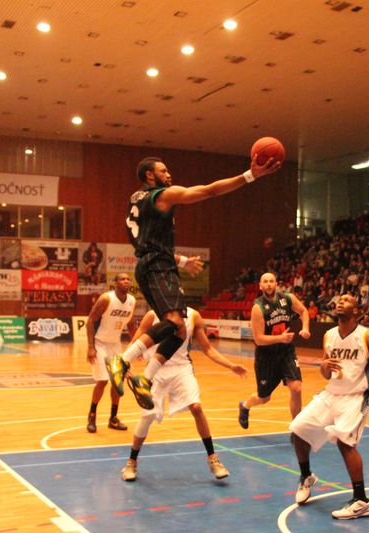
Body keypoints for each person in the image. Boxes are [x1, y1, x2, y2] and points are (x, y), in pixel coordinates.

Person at [106, 154, 281, 411]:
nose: (169, 175)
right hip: (158, 267)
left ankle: (145, 377)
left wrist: (181, 260)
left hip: (151, 265)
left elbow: (145, 244)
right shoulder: (162, 195)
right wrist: (250, 175)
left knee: (180, 331)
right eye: (163, 171)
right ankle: (122, 361)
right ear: (150, 176)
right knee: (175, 322)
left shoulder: (135, 200)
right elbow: (209, 191)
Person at [288, 293, 369, 520]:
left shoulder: (368, 336)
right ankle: (306, 476)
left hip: (355, 397)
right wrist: (323, 365)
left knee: (345, 443)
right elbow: (326, 371)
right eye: (339, 299)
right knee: (297, 430)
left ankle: (361, 500)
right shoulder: (329, 335)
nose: (340, 302)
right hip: (331, 393)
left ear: (356, 311)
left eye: (347, 300)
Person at [119, 307, 247, 482]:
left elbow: (207, 348)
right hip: (156, 370)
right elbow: (134, 343)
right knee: (147, 416)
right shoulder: (153, 315)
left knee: (196, 406)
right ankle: (132, 461)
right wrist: (124, 363)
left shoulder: (193, 316)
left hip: (181, 369)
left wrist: (230, 365)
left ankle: (213, 459)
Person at [238, 272, 310, 430]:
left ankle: (296, 428)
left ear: (276, 284)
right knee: (264, 398)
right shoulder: (258, 307)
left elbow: (303, 311)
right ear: (260, 286)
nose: (269, 284)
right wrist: (280, 338)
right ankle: (245, 405)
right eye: (265, 281)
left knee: (296, 388)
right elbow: (258, 339)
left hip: (286, 352)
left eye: (272, 281)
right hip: (266, 356)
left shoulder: (288, 298)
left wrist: (305, 328)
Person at [85, 273, 136, 433]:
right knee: (102, 381)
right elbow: (90, 321)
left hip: (115, 345)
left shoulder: (132, 301)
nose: (126, 281)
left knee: (117, 383)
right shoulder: (106, 299)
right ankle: (92, 416)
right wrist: (90, 346)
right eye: (122, 279)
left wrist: (137, 347)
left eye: (128, 279)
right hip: (100, 344)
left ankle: (113, 418)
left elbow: (132, 324)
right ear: (115, 283)